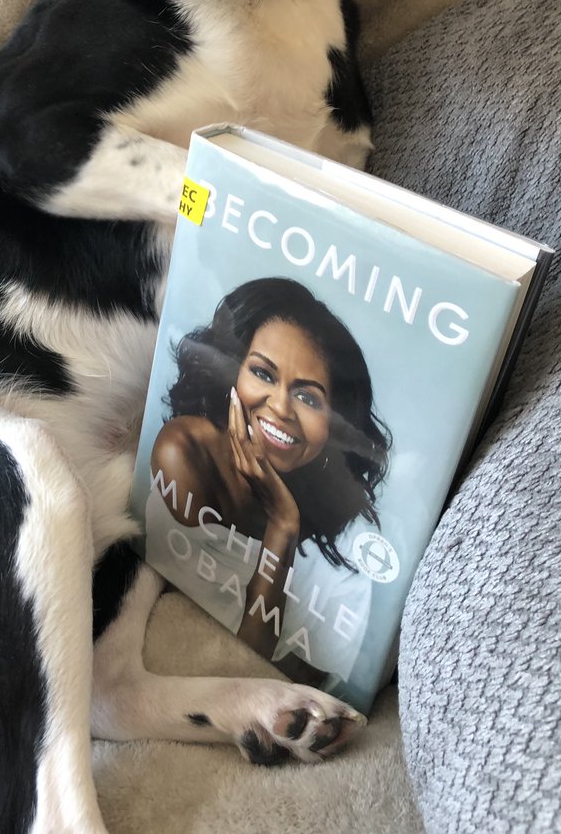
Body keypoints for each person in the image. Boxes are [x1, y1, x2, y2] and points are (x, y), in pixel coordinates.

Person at [147, 277, 390, 687]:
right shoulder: (186, 455)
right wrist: (280, 528)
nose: (279, 406)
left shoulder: (348, 543)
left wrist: (284, 528)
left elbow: (264, 683)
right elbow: (243, 677)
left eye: (309, 398)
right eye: (262, 373)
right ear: (232, 371)